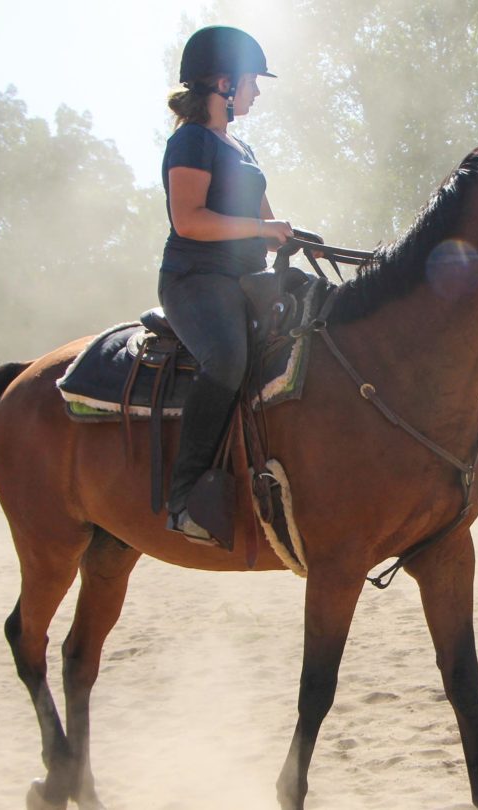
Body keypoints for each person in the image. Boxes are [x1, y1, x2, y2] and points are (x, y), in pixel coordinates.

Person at [159, 26, 294, 542]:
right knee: (228, 359)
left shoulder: (244, 147)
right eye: (251, 81)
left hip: (245, 277)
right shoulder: (190, 140)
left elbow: (265, 219)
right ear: (222, 83)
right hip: (196, 279)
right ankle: (184, 497)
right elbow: (189, 220)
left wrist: (290, 236)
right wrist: (262, 229)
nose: (256, 91)